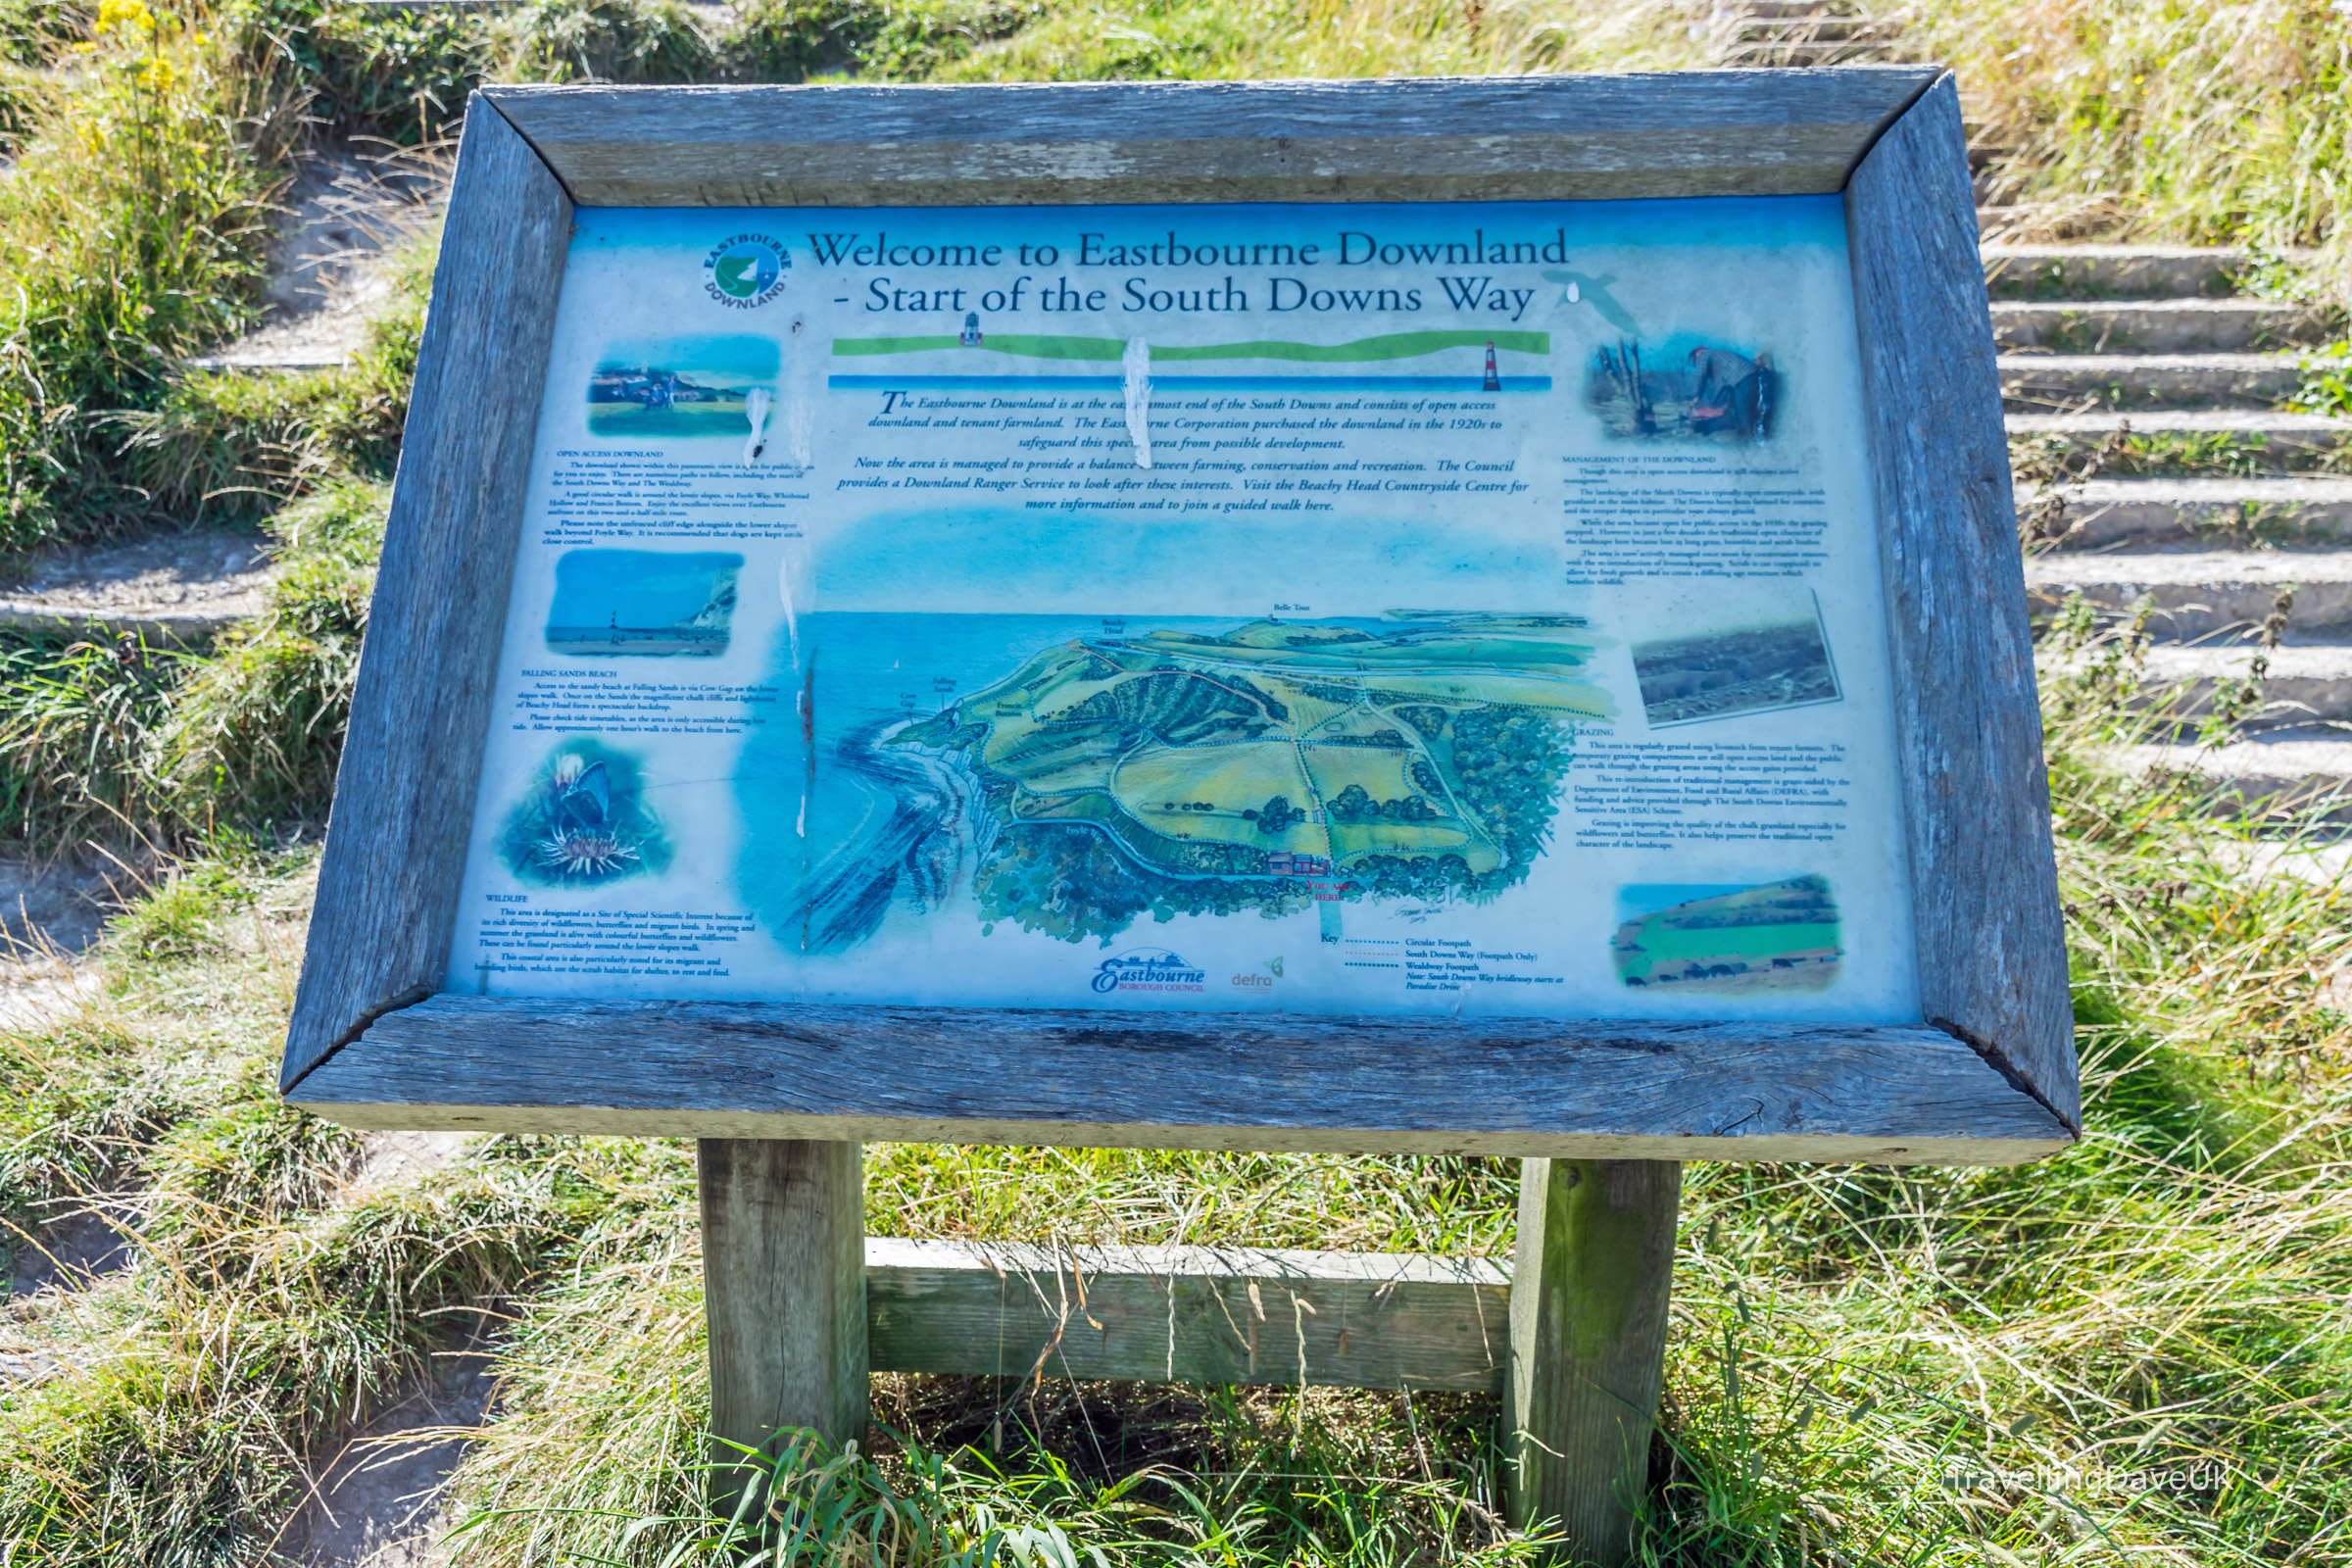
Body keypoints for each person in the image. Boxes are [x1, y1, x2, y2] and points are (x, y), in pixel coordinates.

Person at [1686, 345, 1761, 438]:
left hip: (1745, 378)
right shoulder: (1720, 361)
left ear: (1697, 353)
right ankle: (1750, 439)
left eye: (1695, 362)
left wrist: (1695, 397)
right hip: (1753, 376)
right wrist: (1721, 405)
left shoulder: (1703, 355)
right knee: (1747, 413)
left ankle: (1746, 442)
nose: (1696, 364)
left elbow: (1700, 375)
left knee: (1743, 415)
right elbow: (1722, 387)